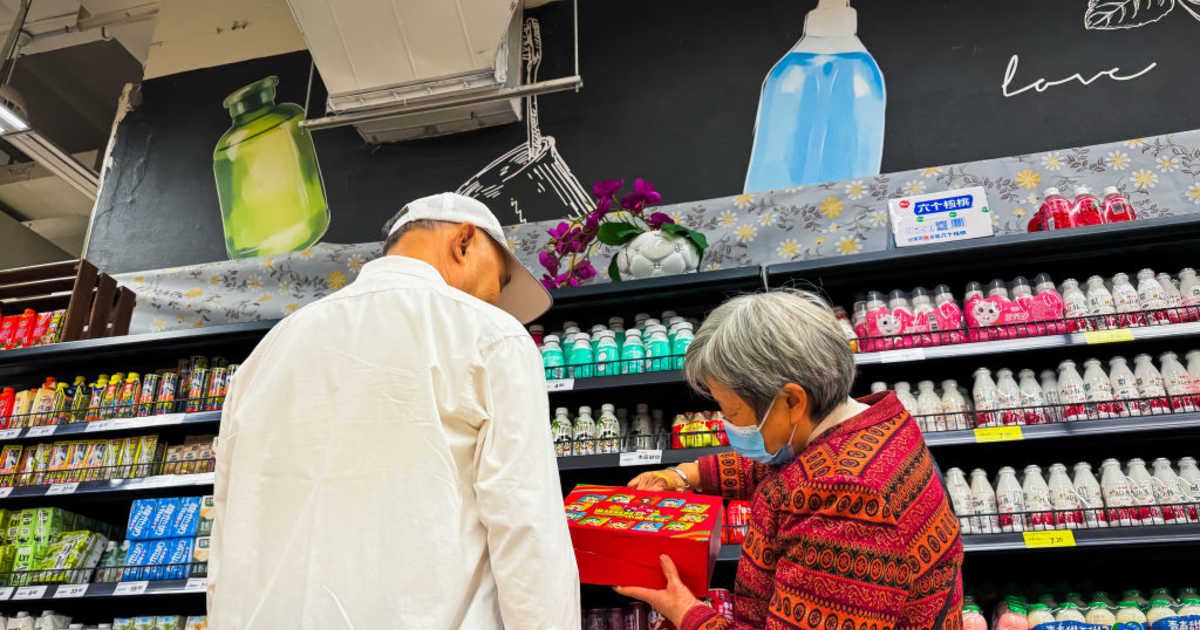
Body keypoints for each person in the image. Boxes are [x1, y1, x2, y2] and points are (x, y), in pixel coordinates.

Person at [210, 192, 580, 629]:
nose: (493, 302)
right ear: (464, 242)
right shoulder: (489, 335)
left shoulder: (269, 352)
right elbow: (526, 524)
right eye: (496, 284)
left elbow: (228, 529)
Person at [619, 290, 963, 630]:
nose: (730, 425)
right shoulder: (875, 422)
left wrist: (686, 612)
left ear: (792, 401)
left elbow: (813, 481)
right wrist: (686, 474)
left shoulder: (847, 499)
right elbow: (791, 466)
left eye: (733, 411)